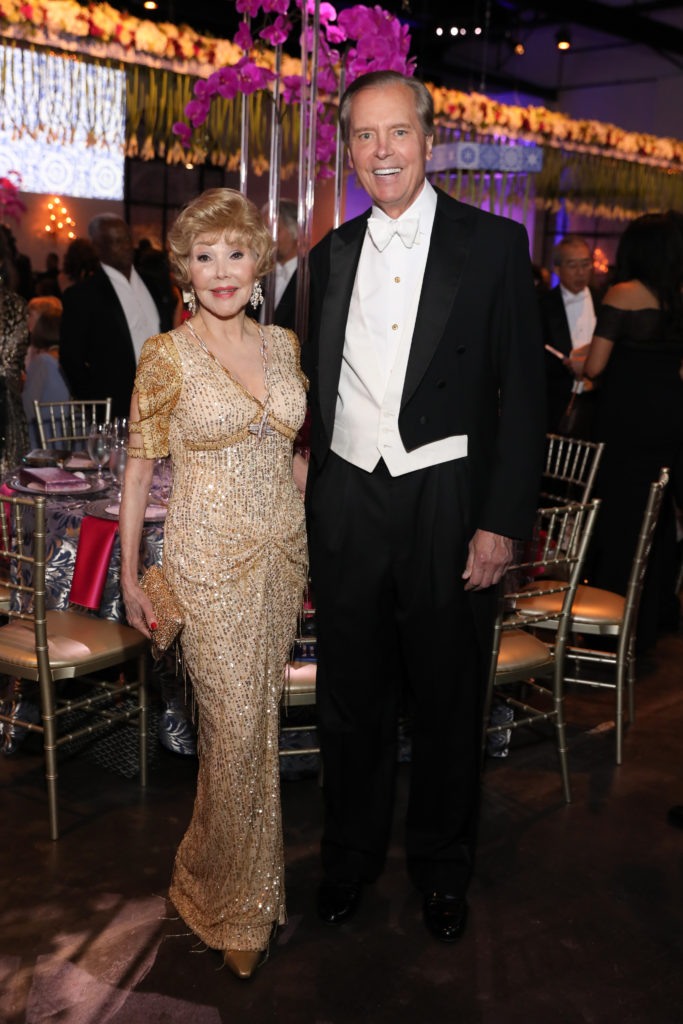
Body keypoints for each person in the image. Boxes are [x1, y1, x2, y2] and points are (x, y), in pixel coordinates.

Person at [303, 70, 545, 944]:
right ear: (349, 150)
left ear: (427, 139)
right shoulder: (325, 257)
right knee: (350, 700)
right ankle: (348, 860)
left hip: (448, 496)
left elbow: (523, 397)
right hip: (348, 501)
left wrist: (500, 521)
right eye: (364, 137)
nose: (381, 152)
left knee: (446, 698)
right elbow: (309, 391)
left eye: (395, 132)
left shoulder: (491, 246)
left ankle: (442, 866)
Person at [119, 188, 309, 980]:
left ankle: (229, 877)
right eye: (205, 256)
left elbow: (296, 453)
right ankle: (233, 903)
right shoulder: (167, 355)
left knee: (257, 729)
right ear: (186, 273)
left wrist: (303, 529)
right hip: (205, 566)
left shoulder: (285, 346)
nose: (222, 270)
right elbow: (137, 468)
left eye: (236, 253)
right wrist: (130, 574)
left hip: (279, 562)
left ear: (257, 263)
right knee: (232, 735)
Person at [582, 212, 683, 650]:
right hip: (668, 419)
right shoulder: (678, 297)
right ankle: (655, 618)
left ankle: (611, 629)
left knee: (620, 519)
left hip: (625, 421)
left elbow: (595, 367)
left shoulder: (622, 294)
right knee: (656, 519)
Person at [59, 214, 173, 418]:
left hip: (161, 400)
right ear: (97, 247)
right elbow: (70, 359)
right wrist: (96, 405)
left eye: (127, 239)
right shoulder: (83, 295)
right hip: (116, 408)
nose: (126, 246)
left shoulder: (154, 285)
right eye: (115, 241)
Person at [539, 235, 599, 434]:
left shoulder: (606, 301)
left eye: (586, 264)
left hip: (599, 404)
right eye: (572, 265)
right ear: (557, 269)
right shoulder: (542, 305)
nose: (581, 272)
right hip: (556, 406)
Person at [0, 228, 29, 475]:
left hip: (7, 414)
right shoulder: (16, 305)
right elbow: (11, 368)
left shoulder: (15, 306)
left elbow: (10, 369)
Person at [22, 307, 70, 449]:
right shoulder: (66, 360)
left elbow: (28, 408)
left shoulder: (43, 361)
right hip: (68, 435)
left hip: (45, 439)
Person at [255, 198, 298, 331]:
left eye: (275, 230)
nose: (268, 237)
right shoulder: (258, 274)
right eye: (264, 231)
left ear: (295, 231)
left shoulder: (311, 277)